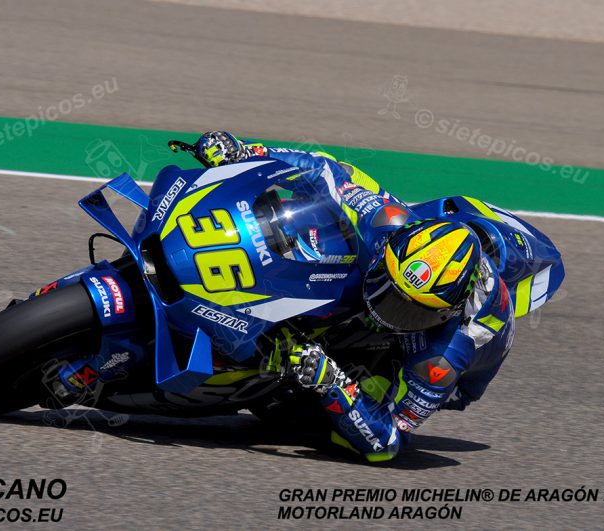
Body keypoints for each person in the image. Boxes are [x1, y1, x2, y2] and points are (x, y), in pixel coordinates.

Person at [193, 131, 515, 462]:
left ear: (448, 312)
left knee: (325, 413)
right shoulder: (387, 223)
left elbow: (386, 444)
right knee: (318, 223)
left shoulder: (441, 359)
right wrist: (245, 152)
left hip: (420, 366)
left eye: (410, 310)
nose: (387, 309)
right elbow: (323, 169)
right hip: (411, 257)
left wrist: (332, 382)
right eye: (389, 289)